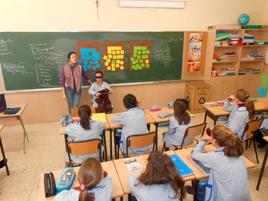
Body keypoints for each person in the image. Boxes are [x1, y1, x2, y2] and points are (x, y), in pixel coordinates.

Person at [192, 125, 252, 201]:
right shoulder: (238, 153)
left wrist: (203, 140)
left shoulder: (215, 157)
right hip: (244, 197)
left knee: (201, 180)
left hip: (225, 198)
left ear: (214, 141)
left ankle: (196, 191)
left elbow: (195, 154)